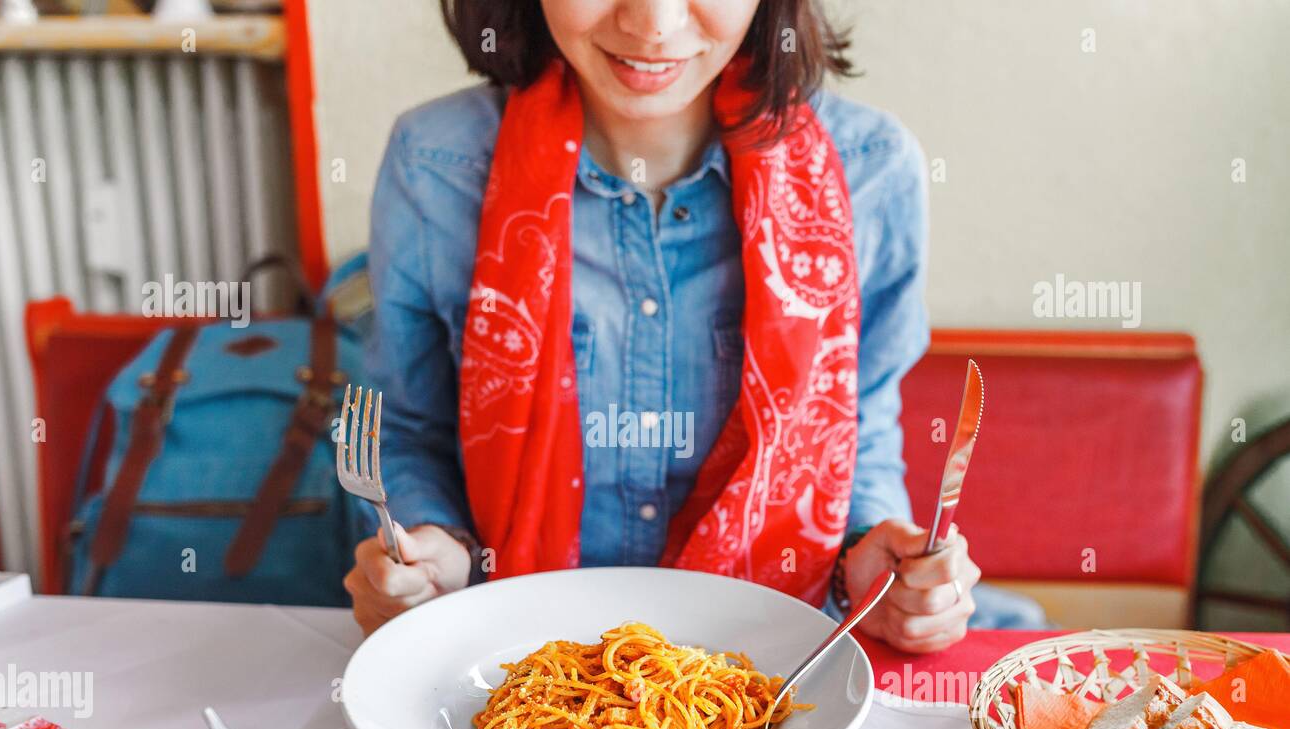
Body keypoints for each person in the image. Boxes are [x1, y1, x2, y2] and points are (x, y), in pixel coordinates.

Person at [344, 0, 1044, 649]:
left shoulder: (870, 171)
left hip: (780, 669)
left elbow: (859, 424)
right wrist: (435, 551)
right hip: (509, 664)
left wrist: (868, 554)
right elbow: (412, 428)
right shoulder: (435, 166)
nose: (653, 25)